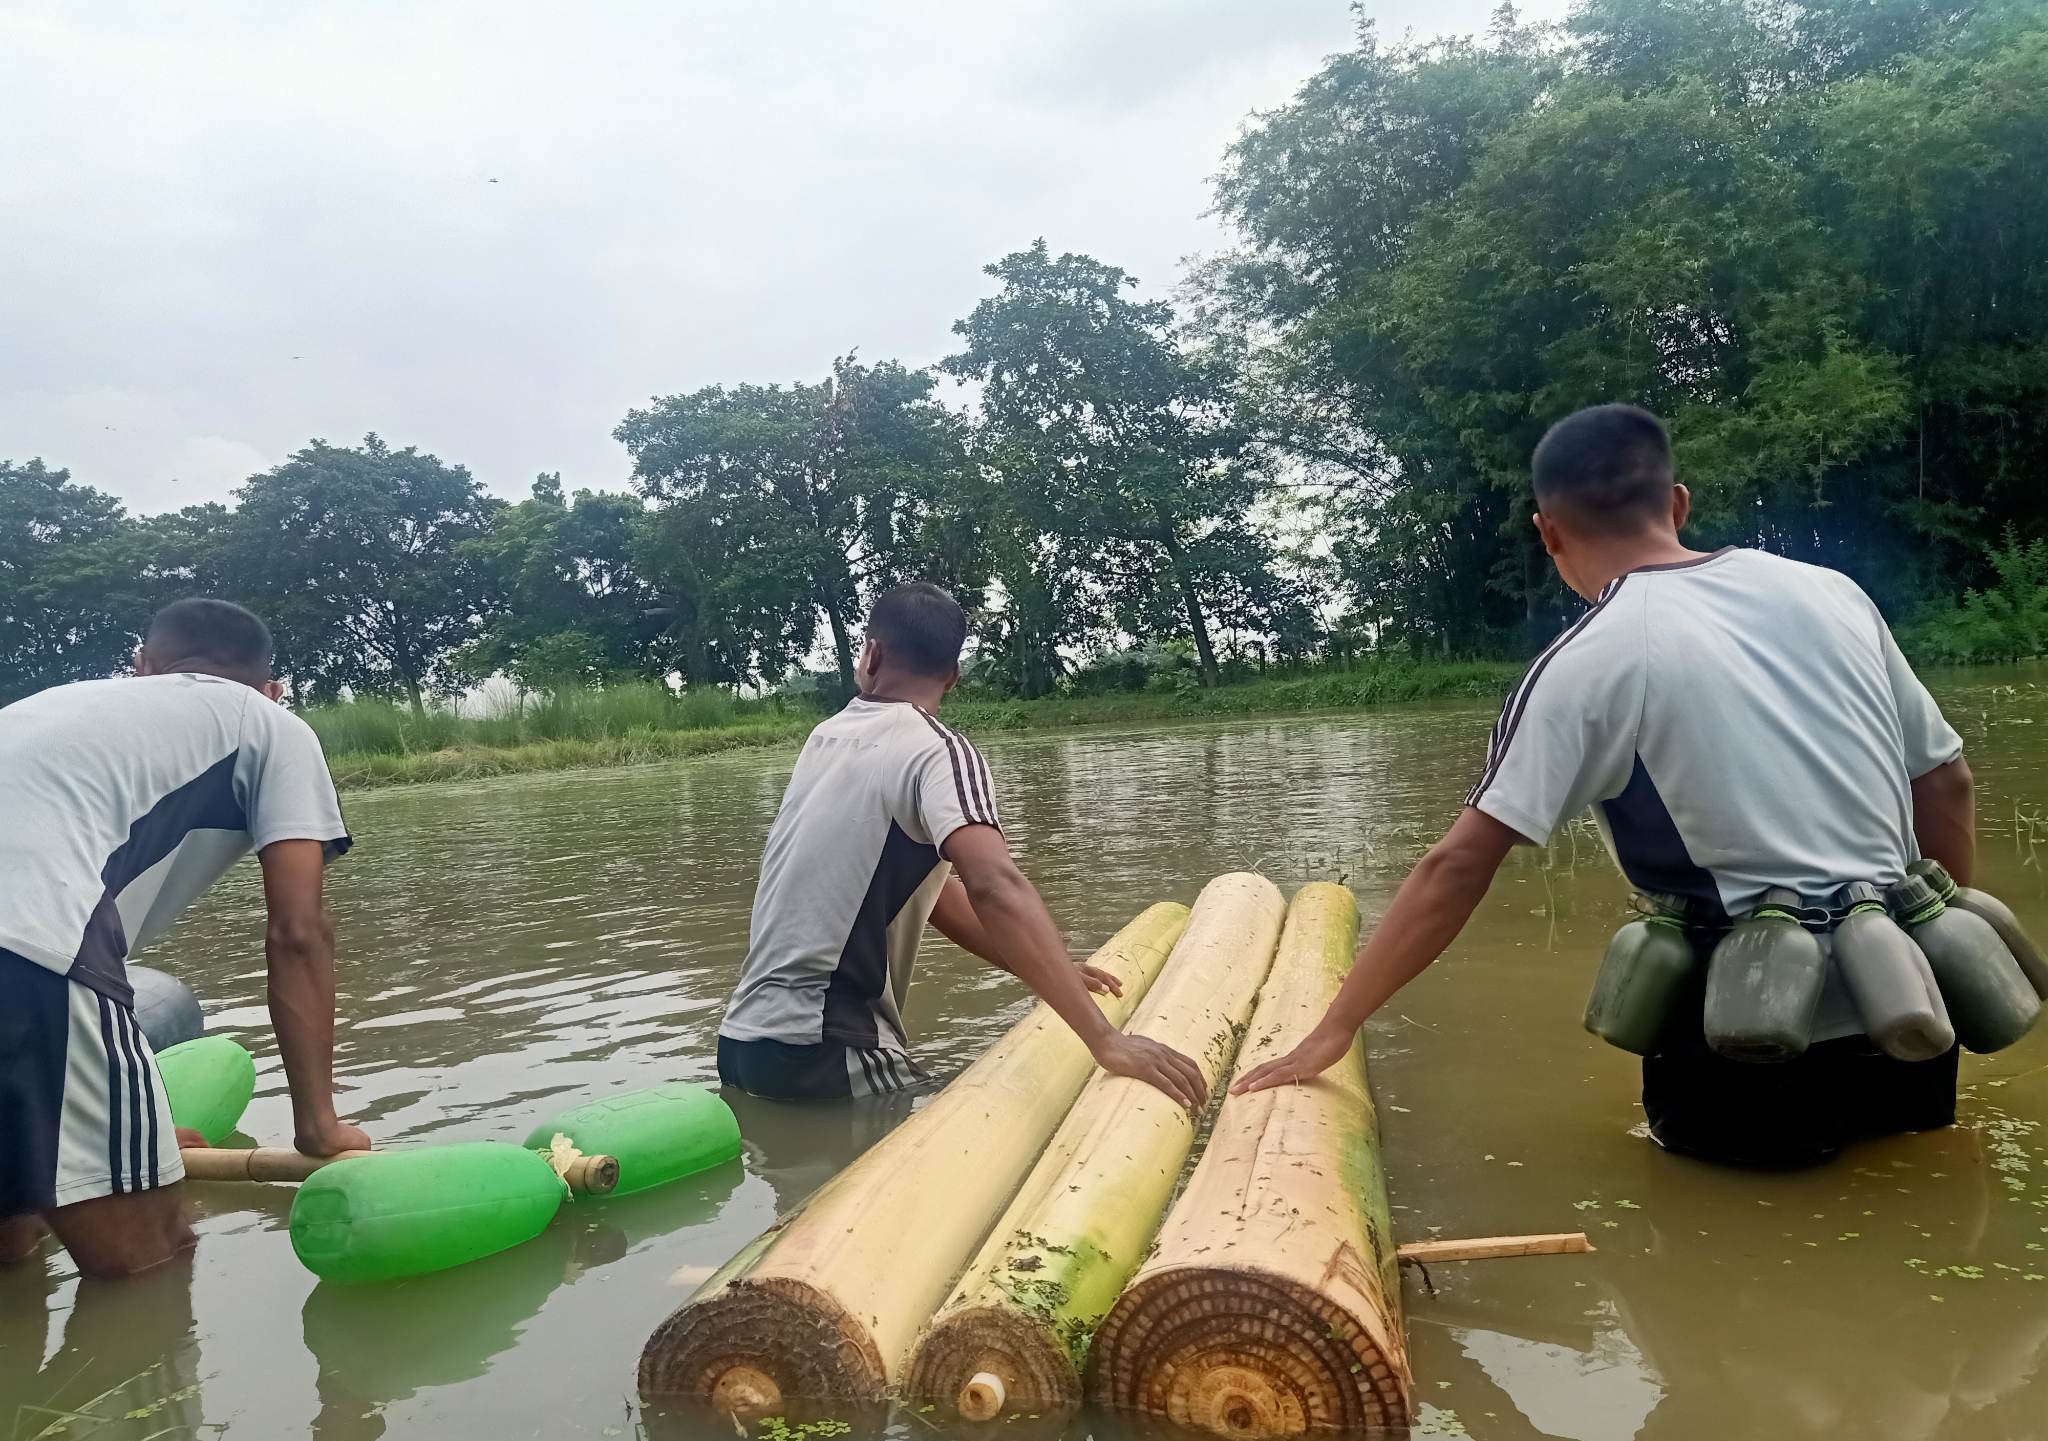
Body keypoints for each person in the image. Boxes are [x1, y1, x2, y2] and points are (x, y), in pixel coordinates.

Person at [1237, 404, 1979, 1167]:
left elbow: (1458, 866)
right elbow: (1947, 781)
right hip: (1913, 1020)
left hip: (1746, 1044)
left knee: (1727, 1258)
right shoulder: (1833, 593)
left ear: (1548, 532)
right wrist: (1935, 951)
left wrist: (1332, 1030)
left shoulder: (1589, 660)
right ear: (1679, 502)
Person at [718, 581, 1206, 1109]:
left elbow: (930, 893)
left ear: (872, 653)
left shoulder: (825, 739)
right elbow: (993, 884)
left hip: (743, 1042)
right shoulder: (938, 751)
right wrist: (1106, 1040)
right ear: (953, 676)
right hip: (829, 1049)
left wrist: (1051, 969)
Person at [0, 598, 370, 1279]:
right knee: (157, 1260)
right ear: (272, 690)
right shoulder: (270, 724)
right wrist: (318, 1126)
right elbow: (298, 932)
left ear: (142, 668)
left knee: (12, 1248)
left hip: (25, 957)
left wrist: (127, 1129)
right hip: (28, 949)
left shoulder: (45, 707)